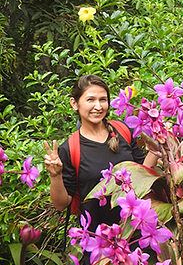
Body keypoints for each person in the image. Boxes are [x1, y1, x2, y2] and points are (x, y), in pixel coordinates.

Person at [43, 75, 155, 235]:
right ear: (74, 103)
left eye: (103, 100)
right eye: (90, 100)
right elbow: (62, 204)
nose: (98, 106)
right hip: (99, 242)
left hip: (137, 232)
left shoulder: (123, 130)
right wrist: (55, 175)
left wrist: (158, 146)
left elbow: (144, 173)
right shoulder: (69, 149)